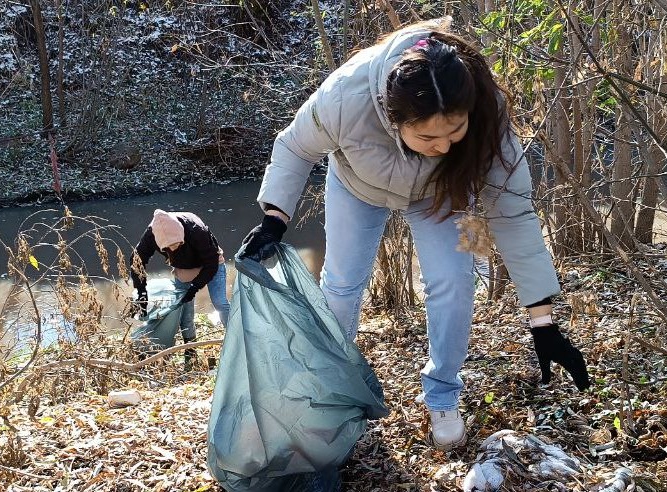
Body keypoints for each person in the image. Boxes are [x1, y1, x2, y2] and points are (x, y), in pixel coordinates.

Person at [241, 18, 590, 451]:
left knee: (454, 282)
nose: (444, 146)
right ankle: (334, 389)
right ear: (394, 117)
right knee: (343, 284)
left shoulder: (486, 108)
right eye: (428, 135)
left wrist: (543, 322)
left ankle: (443, 394)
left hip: (439, 193)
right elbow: (294, 146)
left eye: (455, 131)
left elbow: (513, 212)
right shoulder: (345, 96)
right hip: (358, 185)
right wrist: (275, 217)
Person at [130, 209, 230, 347]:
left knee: (220, 303)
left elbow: (211, 263)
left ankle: (235, 338)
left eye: (177, 244)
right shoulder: (152, 234)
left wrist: (195, 287)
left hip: (211, 262)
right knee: (185, 311)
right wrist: (142, 293)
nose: (174, 248)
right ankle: (190, 346)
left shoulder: (196, 229)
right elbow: (136, 261)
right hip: (183, 269)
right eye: (169, 247)